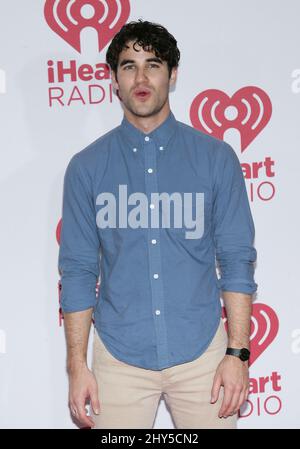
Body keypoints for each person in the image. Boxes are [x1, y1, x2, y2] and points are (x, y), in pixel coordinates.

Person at [58, 19, 257, 429]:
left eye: (153, 63)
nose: (142, 77)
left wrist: (237, 354)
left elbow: (236, 259)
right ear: (114, 79)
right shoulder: (86, 168)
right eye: (129, 66)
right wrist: (77, 366)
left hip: (203, 353)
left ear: (173, 74)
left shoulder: (216, 159)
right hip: (118, 359)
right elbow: (78, 270)